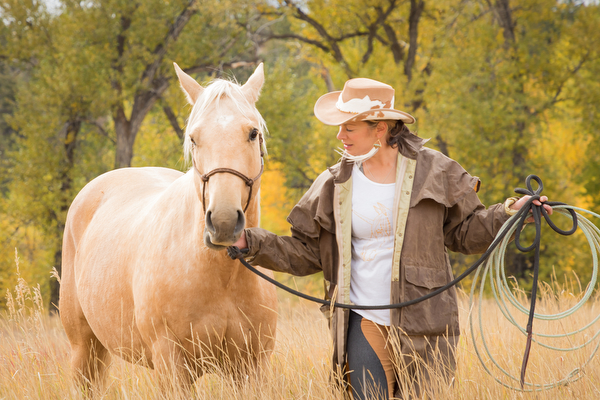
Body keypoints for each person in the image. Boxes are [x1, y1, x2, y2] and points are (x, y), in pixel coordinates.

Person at [233, 78, 551, 399]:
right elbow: (306, 252)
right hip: (363, 318)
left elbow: (465, 233)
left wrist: (511, 213)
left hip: (427, 325)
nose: (340, 136)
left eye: (350, 128)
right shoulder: (333, 184)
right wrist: (251, 243)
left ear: (380, 128)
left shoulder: (435, 171)